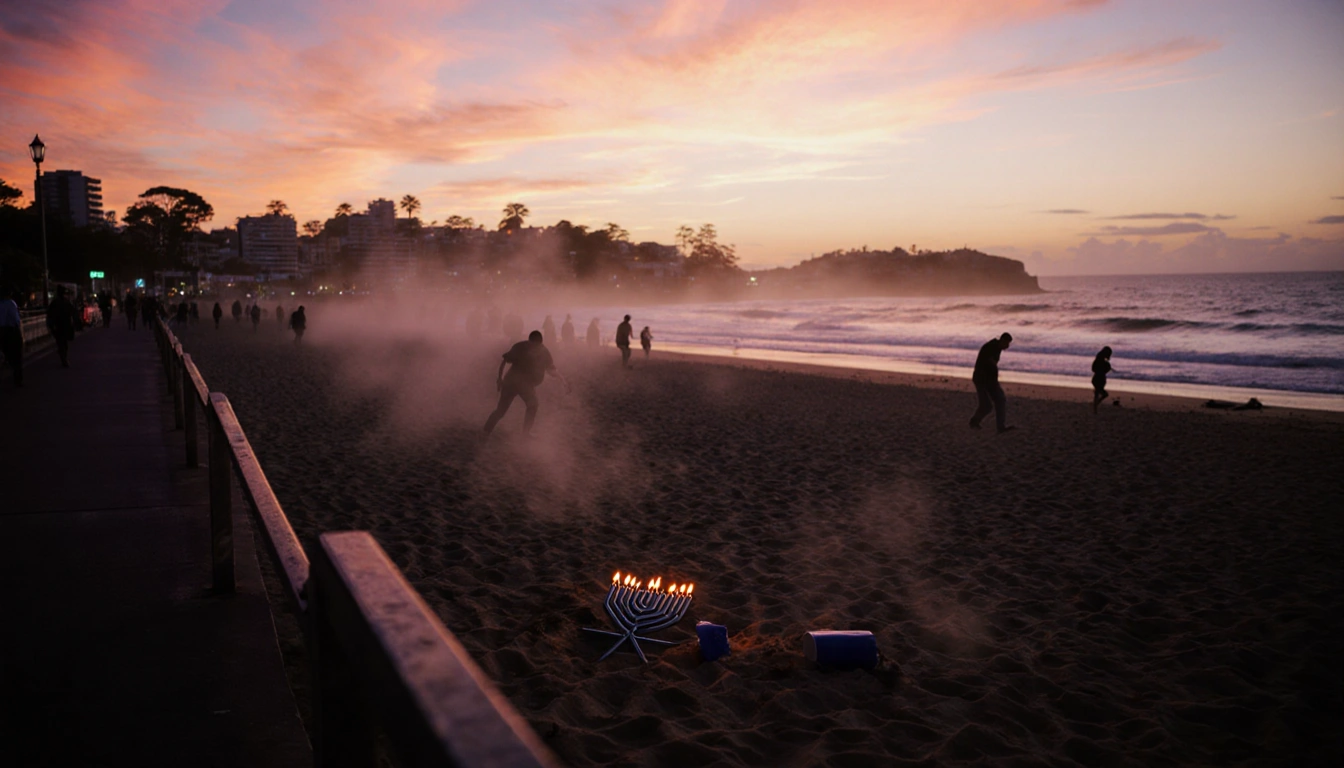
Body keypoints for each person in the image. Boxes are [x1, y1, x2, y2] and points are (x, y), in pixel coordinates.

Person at [483, 330, 569, 437]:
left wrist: (562, 379)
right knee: (501, 411)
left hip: (527, 384)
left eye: (537, 346)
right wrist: (499, 379)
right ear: (529, 342)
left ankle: (525, 433)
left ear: (540, 344)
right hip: (511, 381)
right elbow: (505, 361)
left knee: (533, 405)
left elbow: (551, 369)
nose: (535, 349)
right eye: (533, 345)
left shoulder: (544, 351)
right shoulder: (519, 347)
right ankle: (486, 431)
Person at [969, 332, 1013, 433]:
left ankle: (1000, 427)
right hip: (981, 379)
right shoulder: (990, 347)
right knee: (987, 405)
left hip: (990, 380)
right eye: (1007, 343)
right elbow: (990, 363)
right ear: (1002, 340)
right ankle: (974, 422)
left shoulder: (997, 348)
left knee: (1000, 400)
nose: (1007, 346)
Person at [46, 286, 77, 368]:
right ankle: (64, 358)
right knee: (63, 343)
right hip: (63, 326)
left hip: (59, 326)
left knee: (61, 343)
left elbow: (49, 315)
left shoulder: (56, 303)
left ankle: (63, 356)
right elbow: (72, 312)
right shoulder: (64, 302)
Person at [0, 289, 23, 388]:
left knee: (4, 354)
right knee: (17, 356)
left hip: (2, 332)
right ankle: (17, 379)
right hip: (12, 332)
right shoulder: (11, 304)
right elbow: (16, 319)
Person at [1092, 346, 1113, 414]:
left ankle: (1095, 407)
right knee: (1102, 394)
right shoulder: (1102, 361)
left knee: (1098, 393)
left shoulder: (1099, 359)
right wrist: (1107, 368)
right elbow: (1100, 370)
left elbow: (1093, 369)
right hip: (1099, 378)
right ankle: (1095, 408)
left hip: (1097, 378)